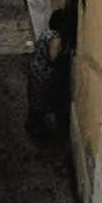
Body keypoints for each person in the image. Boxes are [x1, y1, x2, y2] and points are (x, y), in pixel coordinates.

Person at [26, 9, 74, 137]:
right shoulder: (56, 39)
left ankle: (31, 124)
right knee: (43, 102)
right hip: (45, 75)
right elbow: (53, 58)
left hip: (35, 69)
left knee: (34, 99)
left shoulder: (45, 33)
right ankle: (38, 129)